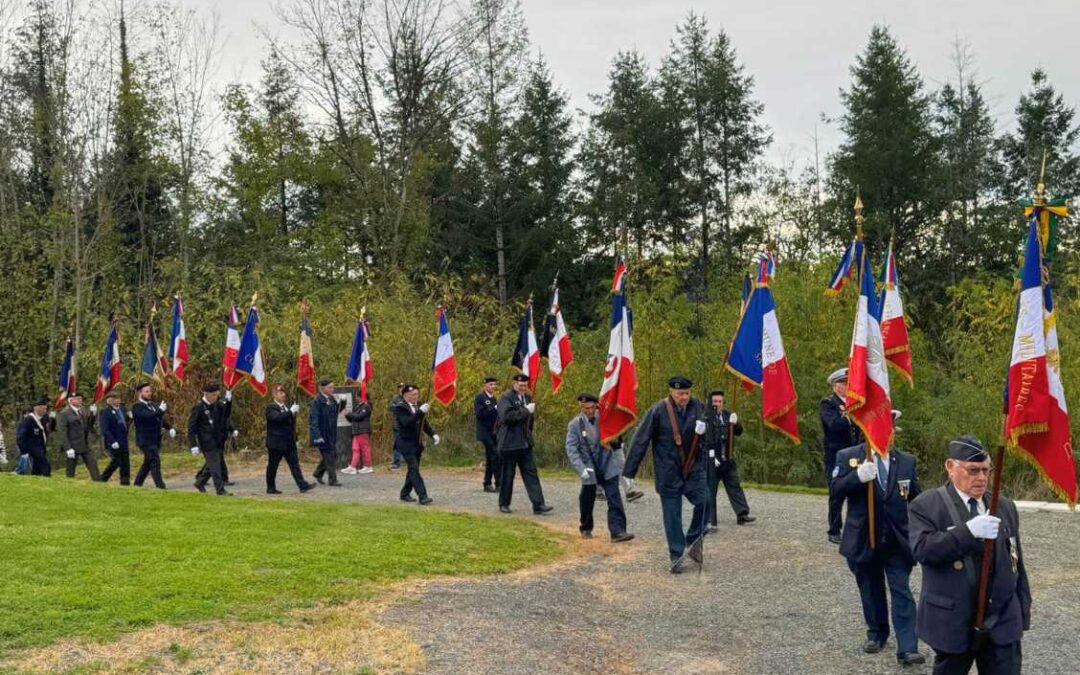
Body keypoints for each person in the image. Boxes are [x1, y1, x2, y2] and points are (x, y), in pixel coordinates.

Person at [909, 435, 1030, 675]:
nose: (982, 478)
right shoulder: (927, 505)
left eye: (986, 470)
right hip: (954, 620)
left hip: (1001, 619)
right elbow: (922, 549)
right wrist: (967, 532)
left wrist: (1022, 610)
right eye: (973, 470)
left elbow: (1016, 561)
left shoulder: (1004, 505)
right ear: (950, 467)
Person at [833, 410, 924, 666]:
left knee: (902, 591)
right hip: (863, 537)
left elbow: (916, 497)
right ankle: (877, 633)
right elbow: (836, 490)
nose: (887, 434)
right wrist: (857, 477)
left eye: (890, 429)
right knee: (871, 589)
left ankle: (908, 647)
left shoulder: (906, 461)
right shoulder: (849, 456)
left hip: (897, 540)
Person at [624, 376, 708, 573]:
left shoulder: (699, 407)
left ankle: (694, 540)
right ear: (671, 392)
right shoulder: (658, 411)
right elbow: (640, 439)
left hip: (693, 470)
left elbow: (709, 439)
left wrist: (706, 430)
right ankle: (676, 555)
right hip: (668, 471)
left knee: (706, 502)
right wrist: (629, 470)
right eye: (680, 393)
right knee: (672, 515)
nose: (684, 397)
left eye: (687, 393)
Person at [565, 393, 634, 542]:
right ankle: (586, 527)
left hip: (607, 462)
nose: (590, 411)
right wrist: (580, 468)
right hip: (588, 465)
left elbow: (616, 435)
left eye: (592, 407)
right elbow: (571, 448)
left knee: (614, 497)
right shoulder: (575, 424)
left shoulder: (605, 419)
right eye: (586, 408)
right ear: (581, 408)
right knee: (587, 498)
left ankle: (618, 531)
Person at [496, 373, 553, 515]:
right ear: (514, 384)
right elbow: (506, 417)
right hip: (509, 443)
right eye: (520, 385)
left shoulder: (527, 397)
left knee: (531, 473)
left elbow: (529, 421)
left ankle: (538, 504)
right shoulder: (506, 398)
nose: (523, 388)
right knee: (508, 475)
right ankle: (504, 503)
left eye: (525, 385)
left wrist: (529, 433)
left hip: (524, 443)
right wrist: (525, 410)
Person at [821, 367, 863, 544]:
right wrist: (851, 416)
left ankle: (856, 528)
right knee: (837, 492)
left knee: (858, 490)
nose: (846, 386)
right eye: (843, 383)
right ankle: (834, 529)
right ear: (835, 385)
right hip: (836, 455)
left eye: (848, 383)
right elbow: (834, 425)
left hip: (855, 452)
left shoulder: (855, 402)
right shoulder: (828, 403)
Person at [703, 389, 754, 531]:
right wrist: (709, 456)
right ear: (710, 402)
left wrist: (736, 423)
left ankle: (742, 514)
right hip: (712, 460)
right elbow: (701, 440)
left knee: (735, 486)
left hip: (727, 459)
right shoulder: (705, 417)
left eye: (720, 402)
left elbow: (739, 432)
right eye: (715, 401)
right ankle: (708, 519)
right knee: (710, 490)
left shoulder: (727, 415)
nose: (717, 404)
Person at [391, 383, 439, 505]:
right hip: (405, 443)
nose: (416, 396)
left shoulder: (418, 405)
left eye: (417, 394)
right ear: (406, 395)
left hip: (417, 443)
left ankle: (405, 493)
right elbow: (407, 422)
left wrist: (433, 434)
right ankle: (423, 496)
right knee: (414, 468)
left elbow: (424, 423)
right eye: (413, 394)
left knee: (413, 469)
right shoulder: (400, 407)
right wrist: (420, 412)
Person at [265, 384, 316, 494]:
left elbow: (291, 425)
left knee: (294, 465)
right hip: (276, 443)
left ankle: (303, 485)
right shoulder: (271, 407)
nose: (283, 395)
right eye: (280, 393)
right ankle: (270, 487)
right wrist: (291, 412)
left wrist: (295, 438)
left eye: (284, 393)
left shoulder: (287, 407)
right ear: (274, 395)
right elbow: (277, 418)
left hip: (289, 442)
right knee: (273, 466)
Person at [189, 382, 237, 495]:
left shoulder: (217, 404)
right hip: (206, 442)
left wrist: (229, 401)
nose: (217, 397)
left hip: (218, 439)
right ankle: (220, 490)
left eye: (217, 395)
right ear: (207, 394)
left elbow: (226, 415)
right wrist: (193, 445)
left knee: (212, 464)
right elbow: (191, 428)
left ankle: (200, 482)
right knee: (216, 466)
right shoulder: (198, 407)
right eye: (214, 395)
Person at [131, 382, 174, 489]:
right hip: (145, 439)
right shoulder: (137, 407)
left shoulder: (153, 405)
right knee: (155, 461)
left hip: (155, 439)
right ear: (140, 393)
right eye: (146, 391)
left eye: (150, 391)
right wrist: (160, 411)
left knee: (147, 463)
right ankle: (160, 486)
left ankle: (137, 484)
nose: (150, 393)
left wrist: (170, 427)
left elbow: (159, 419)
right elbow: (149, 418)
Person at [56, 392, 100, 481]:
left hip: (85, 444)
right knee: (71, 469)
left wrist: (93, 414)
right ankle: (69, 485)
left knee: (93, 465)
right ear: (71, 401)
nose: (80, 400)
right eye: (77, 399)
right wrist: (68, 448)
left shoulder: (83, 410)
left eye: (80, 398)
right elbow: (62, 432)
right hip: (73, 445)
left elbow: (89, 425)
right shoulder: (64, 413)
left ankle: (99, 483)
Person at [310, 378, 344, 487]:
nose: (332, 389)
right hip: (322, 433)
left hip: (331, 433)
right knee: (329, 456)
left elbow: (335, 413)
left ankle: (318, 473)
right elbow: (313, 420)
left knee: (332, 454)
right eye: (330, 387)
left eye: (333, 387)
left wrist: (342, 404)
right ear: (323, 388)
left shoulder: (332, 399)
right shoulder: (317, 401)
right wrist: (317, 435)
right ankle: (332, 479)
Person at [474, 377, 500, 492]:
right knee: (495, 455)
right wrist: (494, 409)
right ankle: (499, 483)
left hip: (493, 432)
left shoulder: (494, 398)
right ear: (485, 385)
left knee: (490, 458)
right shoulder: (480, 398)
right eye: (490, 384)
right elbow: (480, 414)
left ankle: (487, 483)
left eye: (494, 384)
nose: (493, 386)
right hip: (484, 432)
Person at [98, 391, 131, 485]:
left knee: (125, 462)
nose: (118, 400)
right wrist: (112, 441)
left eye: (118, 398)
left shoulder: (122, 409)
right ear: (110, 401)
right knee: (116, 461)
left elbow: (125, 423)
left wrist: (130, 417)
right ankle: (103, 479)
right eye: (116, 399)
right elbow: (105, 429)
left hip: (123, 440)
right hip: (114, 441)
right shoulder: (106, 412)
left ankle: (125, 482)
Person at [16, 398, 53, 476]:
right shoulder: (28, 420)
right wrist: (23, 450)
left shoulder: (45, 418)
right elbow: (21, 435)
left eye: (46, 409)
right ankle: (48, 479)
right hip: (32, 447)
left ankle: (35, 479)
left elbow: (50, 428)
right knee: (45, 465)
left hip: (42, 446)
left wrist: (53, 419)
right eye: (43, 408)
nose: (45, 410)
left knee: (37, 468)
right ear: (36, 408)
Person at [343, 395, 374, 475]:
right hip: (356, 431)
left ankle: (368, 466)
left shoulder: (366, 406)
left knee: (365, 449)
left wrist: (349, 413)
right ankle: (353, 467)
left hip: (363, 430)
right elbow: (352, 419)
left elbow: (359, 417)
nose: (356, 398)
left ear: (362, 397)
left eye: (357, 396)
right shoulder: (358, 406)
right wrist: (346, 414)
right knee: (355, 449)